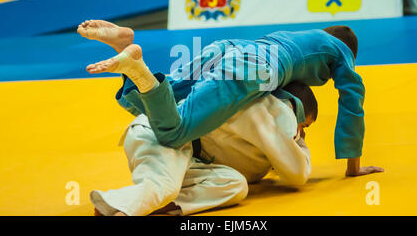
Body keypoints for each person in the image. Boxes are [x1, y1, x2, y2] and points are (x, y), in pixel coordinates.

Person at [78, 20, 384, 177]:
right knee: (175, 132)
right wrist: (353, 166)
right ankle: (133, 58)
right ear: (347, 51)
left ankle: (122, 48)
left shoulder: (303, 36)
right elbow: (352, 104)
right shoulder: (340, 51)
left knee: (167, 97)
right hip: (252, 66)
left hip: (228, 48)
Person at [90, 79, 317, 216]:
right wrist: (299, 140)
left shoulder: (265, 118)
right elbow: (298, 174)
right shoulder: (270, 112)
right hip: (160, 137)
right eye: (304, 126)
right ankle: (119, 209)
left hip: (187, 154)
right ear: (293, 110)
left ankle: (151, 205)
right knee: (165, 185)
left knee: (235, 185)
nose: (301, 134)